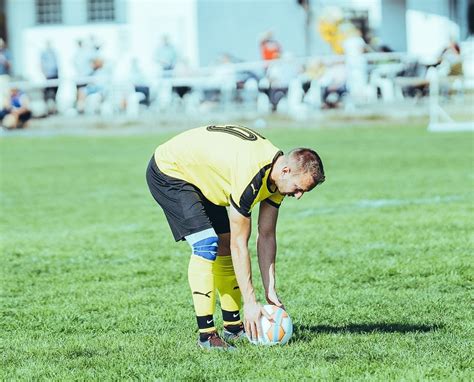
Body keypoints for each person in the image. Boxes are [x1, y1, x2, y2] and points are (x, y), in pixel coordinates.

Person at [146, 125, 325, 350]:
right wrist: (250, 302)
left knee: (223, 244)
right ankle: (207, 336)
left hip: (204, 176)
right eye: (299, 188)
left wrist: (270, 290)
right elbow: (239, 245)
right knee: (206, 244)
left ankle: (233, 328)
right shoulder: (251, 175)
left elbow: (266, 235)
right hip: (171, 170)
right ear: (287, 171)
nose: (298, 196)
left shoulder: (278, 177)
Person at [40, 41, 59, 112]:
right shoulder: (44, 53)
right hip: (48, 76)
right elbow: (41, 64)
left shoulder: (53, 52)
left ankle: (54, 108)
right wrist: (44, 73)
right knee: (48, 92)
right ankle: (48, 108)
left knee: (54, 91)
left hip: (55, 75)